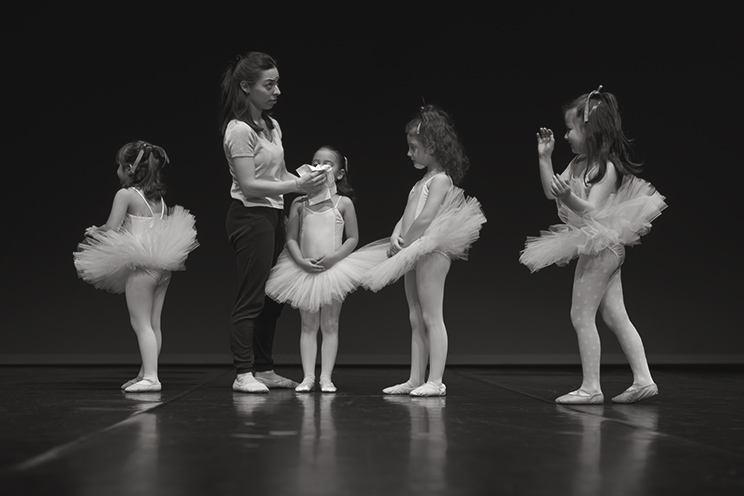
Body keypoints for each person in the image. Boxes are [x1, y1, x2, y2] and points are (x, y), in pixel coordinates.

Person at [520, 86, 667, 404]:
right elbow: (551, 191)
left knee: (580, 315)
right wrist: (545, 159)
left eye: (571, 129)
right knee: (615, 316)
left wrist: (568, 196)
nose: (566, 135)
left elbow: (594, 209)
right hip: (600, 246)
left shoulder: (605, 169)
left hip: (602, 245)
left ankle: (591, 387)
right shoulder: (576, 165)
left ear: (590, 131)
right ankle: (643, 380)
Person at [362, 105, 486, 397]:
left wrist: (405, 242)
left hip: (430, 250)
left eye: (413, 148)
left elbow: (427, 217)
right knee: (415, 317)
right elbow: (407, 215)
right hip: (413, 249)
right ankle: (415, 378)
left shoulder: (440, 179)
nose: (409, 153)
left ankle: (435, 380)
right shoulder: (420, 182)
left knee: (432, 316)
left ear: (432, 147)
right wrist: (396, 234)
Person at [220, 51, 326, 394]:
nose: (277, 90)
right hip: (249, 216)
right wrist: (296, 186)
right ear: (246, 87)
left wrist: (310, 177)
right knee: (251, 296)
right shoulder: (238, 130)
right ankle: (243, 372)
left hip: (271, 214)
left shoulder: (272, 125)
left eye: (278, 83)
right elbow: (249, 184)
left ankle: (264, 369)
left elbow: (279, 174)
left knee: (272, 298)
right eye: (269, 84)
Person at [74, 141, 198, 392]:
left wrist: (94, 231)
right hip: (162, 266)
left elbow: (112, 228)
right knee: (154, 324)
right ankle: (146, 372)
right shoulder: (158, 199)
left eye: (119, 166)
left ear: (130, 168)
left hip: (141, 265)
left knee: (141, 323)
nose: (117, 170)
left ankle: (151, 378)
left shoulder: (126, 194)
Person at [266, 146, 386, 393]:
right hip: (305, 269)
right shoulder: (300, 202)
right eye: (315, 161)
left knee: (330, 324)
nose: (319, 166)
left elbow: (352, 238)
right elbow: (290, 238)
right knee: (308, 325)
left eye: (327, 163)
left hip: (333, 270)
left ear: (340, 173)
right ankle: (308, 377)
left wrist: (334, 258)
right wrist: (299, 260)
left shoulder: (344, 203)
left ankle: (326, 377)